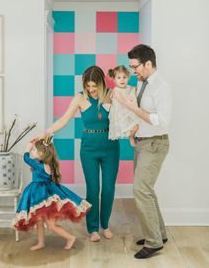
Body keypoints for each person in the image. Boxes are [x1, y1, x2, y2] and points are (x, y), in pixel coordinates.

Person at [34, 66, 120, 242]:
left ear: (101, 82)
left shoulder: (111, 95)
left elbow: (126, 114)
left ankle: (106, 225)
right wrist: (45, 133)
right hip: (88, 149)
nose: (91, 89)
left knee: (109, 189)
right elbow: (64, 120)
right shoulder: (80, 98)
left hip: (111, 147)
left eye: (94, 85)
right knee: (93, 189)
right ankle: (93, 228)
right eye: (88, 85)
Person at [113, 44, 172, 259]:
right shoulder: (141, 84)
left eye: (135, 67)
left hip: (155, 143)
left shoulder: (161, 87)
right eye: (131, 67)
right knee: (147, 190)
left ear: (148, 63)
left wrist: (134, 109)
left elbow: (162, 121)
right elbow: (139, 116)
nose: (133, 71)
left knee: (140, 190)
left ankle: (154, 242)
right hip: (141, 143)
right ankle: (159, 234)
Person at [13, 137, 91, 251]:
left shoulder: (39, 165)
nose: (32, 152)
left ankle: (70, 237)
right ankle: (41, 243)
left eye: (34, 150)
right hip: (41, 195)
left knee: (51, 225)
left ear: (41, 153)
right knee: (39, 221)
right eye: (32, 150)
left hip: (42, 196)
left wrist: (27, 148)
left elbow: (26, 158)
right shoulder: (45, 163)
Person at [107, 65, 139, 146]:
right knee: (132, 127)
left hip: (128, 110)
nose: (122, 80)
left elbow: (134, 90)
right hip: (121, 112)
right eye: (119, 78)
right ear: (114, 79)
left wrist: (134, 91)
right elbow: (122, 102)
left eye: (124, 77)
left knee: (136, 126)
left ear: (128, 78)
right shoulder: (116, 91)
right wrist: (129, 99)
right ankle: (131, 137)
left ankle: (133, 136)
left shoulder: (129, 87)